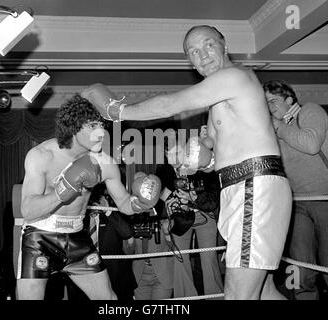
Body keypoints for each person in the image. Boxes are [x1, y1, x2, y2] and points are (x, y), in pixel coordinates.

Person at [81, 25, 292, 300]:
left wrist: (119, 111)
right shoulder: (218, 103)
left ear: (224, 45)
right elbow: (212, 152)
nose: (202, 55)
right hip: (238, 186)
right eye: (193, 51)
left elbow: (172, 104)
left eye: (208, 45)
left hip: (254, 185)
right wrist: (192, 157)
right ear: (189, 61)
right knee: (262, 292)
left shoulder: (234, 76)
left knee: (239, 294)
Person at [17, 94, 161, 300]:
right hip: (40, 237)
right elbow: (28, 210)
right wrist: (64, 189)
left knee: (109, 300)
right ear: (74, 128)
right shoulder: (41, 156)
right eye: (93, 126)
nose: (101, 132)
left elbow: (123, 204)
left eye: (101, 126)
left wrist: (139, 204)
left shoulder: (104, 163)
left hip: (77, 237)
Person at [263, 80, 328, 300]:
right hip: (296, 201)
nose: (269, 107)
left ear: (289, 99)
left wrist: (279, 127)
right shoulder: (278, 128)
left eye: (273, 101)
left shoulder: (310, 110)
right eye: (265, 103)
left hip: (326, 198)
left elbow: (312, 145)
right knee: (301, 267)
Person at [157, 136, 223, 299]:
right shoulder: (162, 170)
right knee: (181, 262)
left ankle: (215, 297)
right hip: (178, 219)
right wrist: (171, 199)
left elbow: (213, 200)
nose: (174, 155)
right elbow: (155, 192)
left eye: (177, 150)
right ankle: (185, 299)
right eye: (169, 151)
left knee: (209, 259)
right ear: (165, 153)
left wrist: (193, 198)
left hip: (204, 216)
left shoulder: (200, 163)